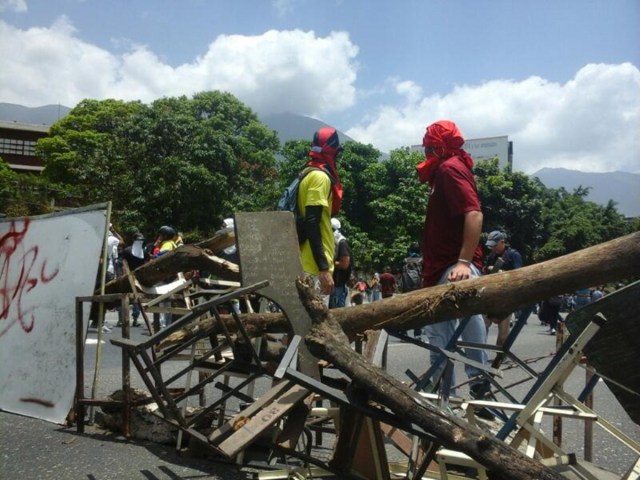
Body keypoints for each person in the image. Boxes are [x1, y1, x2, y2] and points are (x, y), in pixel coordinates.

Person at [416, 119, 489, 399]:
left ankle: (478, 382)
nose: (425, 153)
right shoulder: (446, 170)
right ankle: (442, 389)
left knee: (463, 317)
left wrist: (463, 262)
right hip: (439, 266)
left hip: (452, 265)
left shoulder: (449, 169)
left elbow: (474, 214)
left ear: (439, 146)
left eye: (428, 147)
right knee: (438, 332)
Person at [298, 127, 343, 302]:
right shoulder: (320, 177)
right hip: (314, 266)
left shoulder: (307, 173)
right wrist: (323, 268)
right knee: (315, 325)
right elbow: (312, 221)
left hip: (310, 262)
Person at [483, 230, 523, 346]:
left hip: (506, 298)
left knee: (503, 333)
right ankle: (480, 352)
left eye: (495, 246)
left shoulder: (513, 255)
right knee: (483, 325)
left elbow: (519, 274)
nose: (493, 248)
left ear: (502, 242)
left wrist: (502, 272)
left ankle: (500, 357)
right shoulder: (491, 256)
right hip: (491, 296)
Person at [120, 232, 147, 326]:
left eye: (141, 241)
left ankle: (135, 319)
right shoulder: (127, 251)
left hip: (139, 277)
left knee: (137, 298)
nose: (140, 242)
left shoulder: (143, 252)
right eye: (138, 240)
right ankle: (121, 319)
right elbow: (123, 264)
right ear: (134, 241)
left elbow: (146, 264)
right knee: (124, 297)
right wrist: (124, 276)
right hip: (127, 275)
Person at [329, 218, 352, 308]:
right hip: (336, 286)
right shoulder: (337, 244)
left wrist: (330, 263)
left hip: (338, 286)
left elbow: (344, 264)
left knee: (337, 311)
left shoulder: (342, 243)